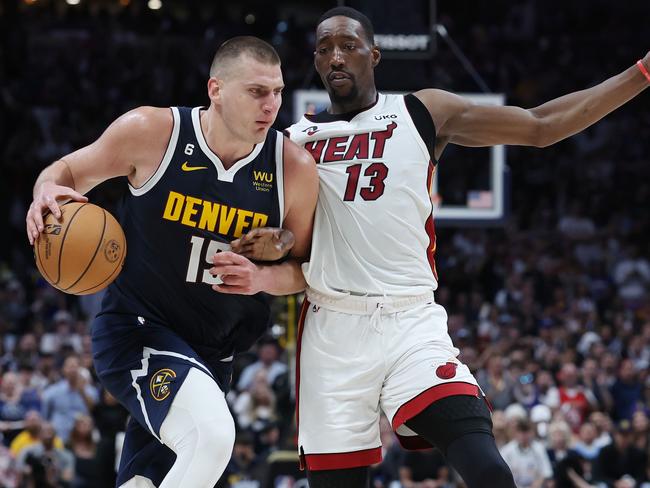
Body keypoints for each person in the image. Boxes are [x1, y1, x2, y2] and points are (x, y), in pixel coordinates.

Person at [211, 7, 649, 488]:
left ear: (373, 55)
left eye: (348, 46)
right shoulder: (292, 143)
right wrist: (275, 244)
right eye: (324, 49)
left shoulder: (420, 111)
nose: (336, 57)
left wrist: (641, 74)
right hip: (332, 332)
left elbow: (540, 124)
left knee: (487, 469)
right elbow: (294, 244)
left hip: (409, 323)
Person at [25, 36, 318, 487]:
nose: (271, 105)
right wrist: (45, 188)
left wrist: (262, 277)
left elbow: (304, 270)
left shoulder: (292, 168)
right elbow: (65, 171)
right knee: (213, 436)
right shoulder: (151, 132)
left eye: (278, 92)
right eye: (257, 92)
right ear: (215, 90)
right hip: (137, 330)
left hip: (212, 355)